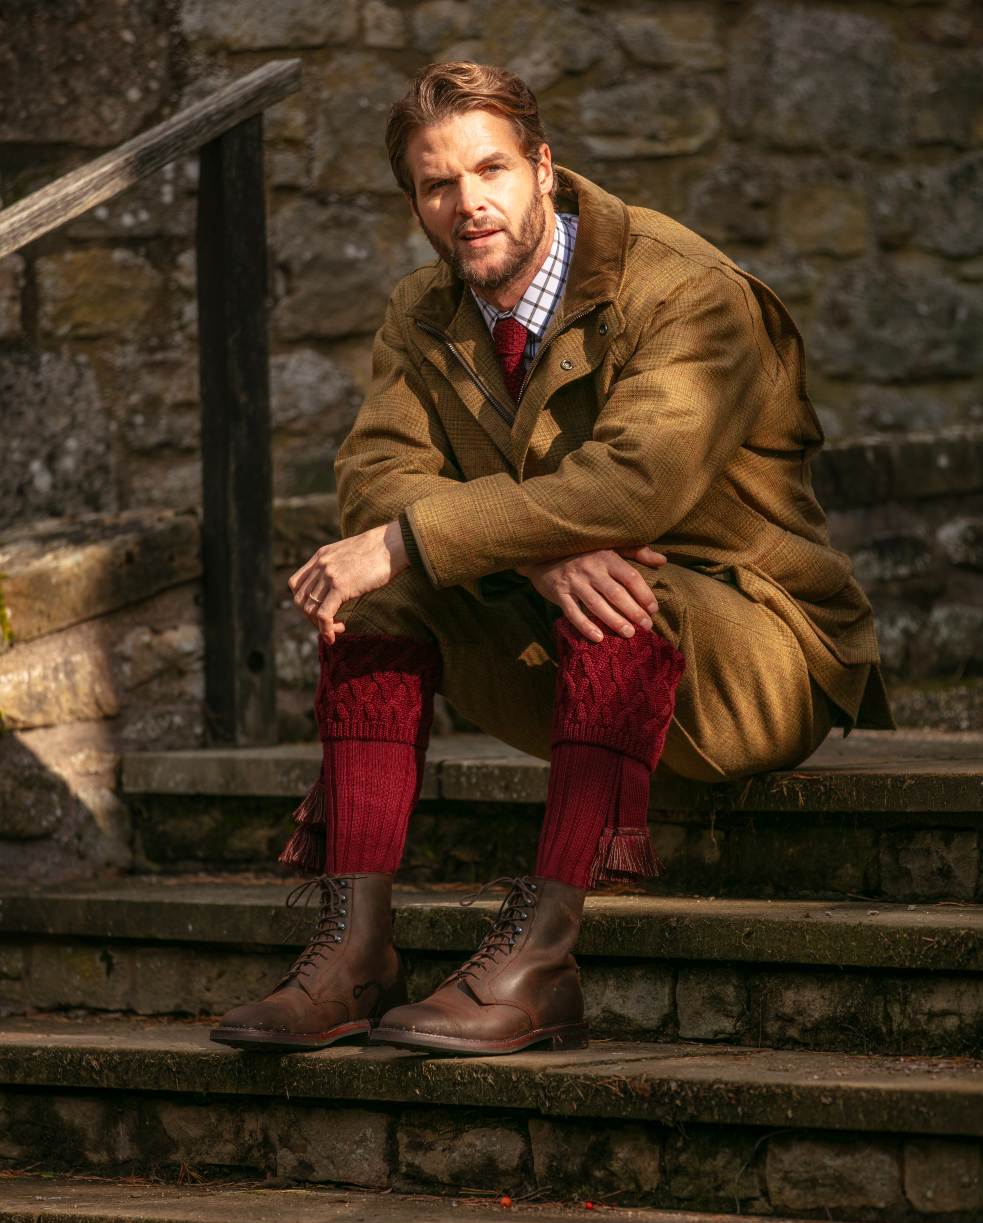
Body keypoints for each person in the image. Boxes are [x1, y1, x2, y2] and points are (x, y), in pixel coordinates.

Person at [209, 61, 894, 1058]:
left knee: (608, 582)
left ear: (543, 165)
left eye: (490, 169)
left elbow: (633, 488)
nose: (468, 202)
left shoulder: (686, 289)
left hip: (755, 649)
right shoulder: (421, 310)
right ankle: (355, 950)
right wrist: (531, 560)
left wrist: (423, 536)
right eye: (438, 184)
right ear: (415, 203)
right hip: (558, 644)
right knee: (385, 595)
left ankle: (540, 961)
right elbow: (374, 478)